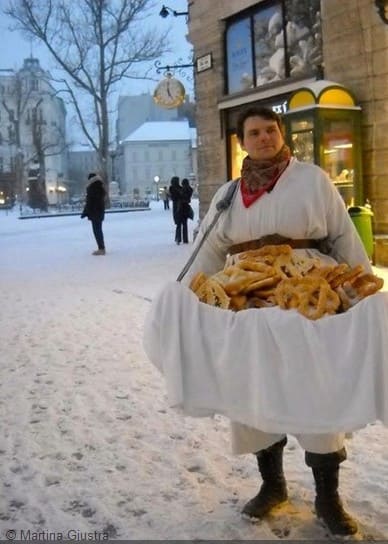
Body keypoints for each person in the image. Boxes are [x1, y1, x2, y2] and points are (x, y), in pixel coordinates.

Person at [179, 106, 372, 536]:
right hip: (245, 293)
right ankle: (273, 485)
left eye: (270, 130)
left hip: (307, 289)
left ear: (282, 134)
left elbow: (342, 234)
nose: (264, 137)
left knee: (315, 385)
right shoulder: (228, 194)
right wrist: (188, 295)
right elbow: (208, 249)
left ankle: (327, 495)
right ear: (242, 142)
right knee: (255, 386)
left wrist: (361, 284)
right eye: (254, 132)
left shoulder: (312, 180)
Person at [81, 172, 107, 255]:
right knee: (99, 230)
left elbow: (89, 202)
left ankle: (101, 248)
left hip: (94, 212)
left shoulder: (92, 188)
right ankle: (101, 248)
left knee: (96, 231)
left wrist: (85, 212)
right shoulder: (100, 186)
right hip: (100, 211)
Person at [168, 176, 182, 244]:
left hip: (175, 205)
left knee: (178, 222)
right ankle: (178, 238)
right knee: (179, 223)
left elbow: (171, 196)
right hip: (180, 205)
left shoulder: (171, 188)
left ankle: (177, 238)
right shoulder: (180, 188)